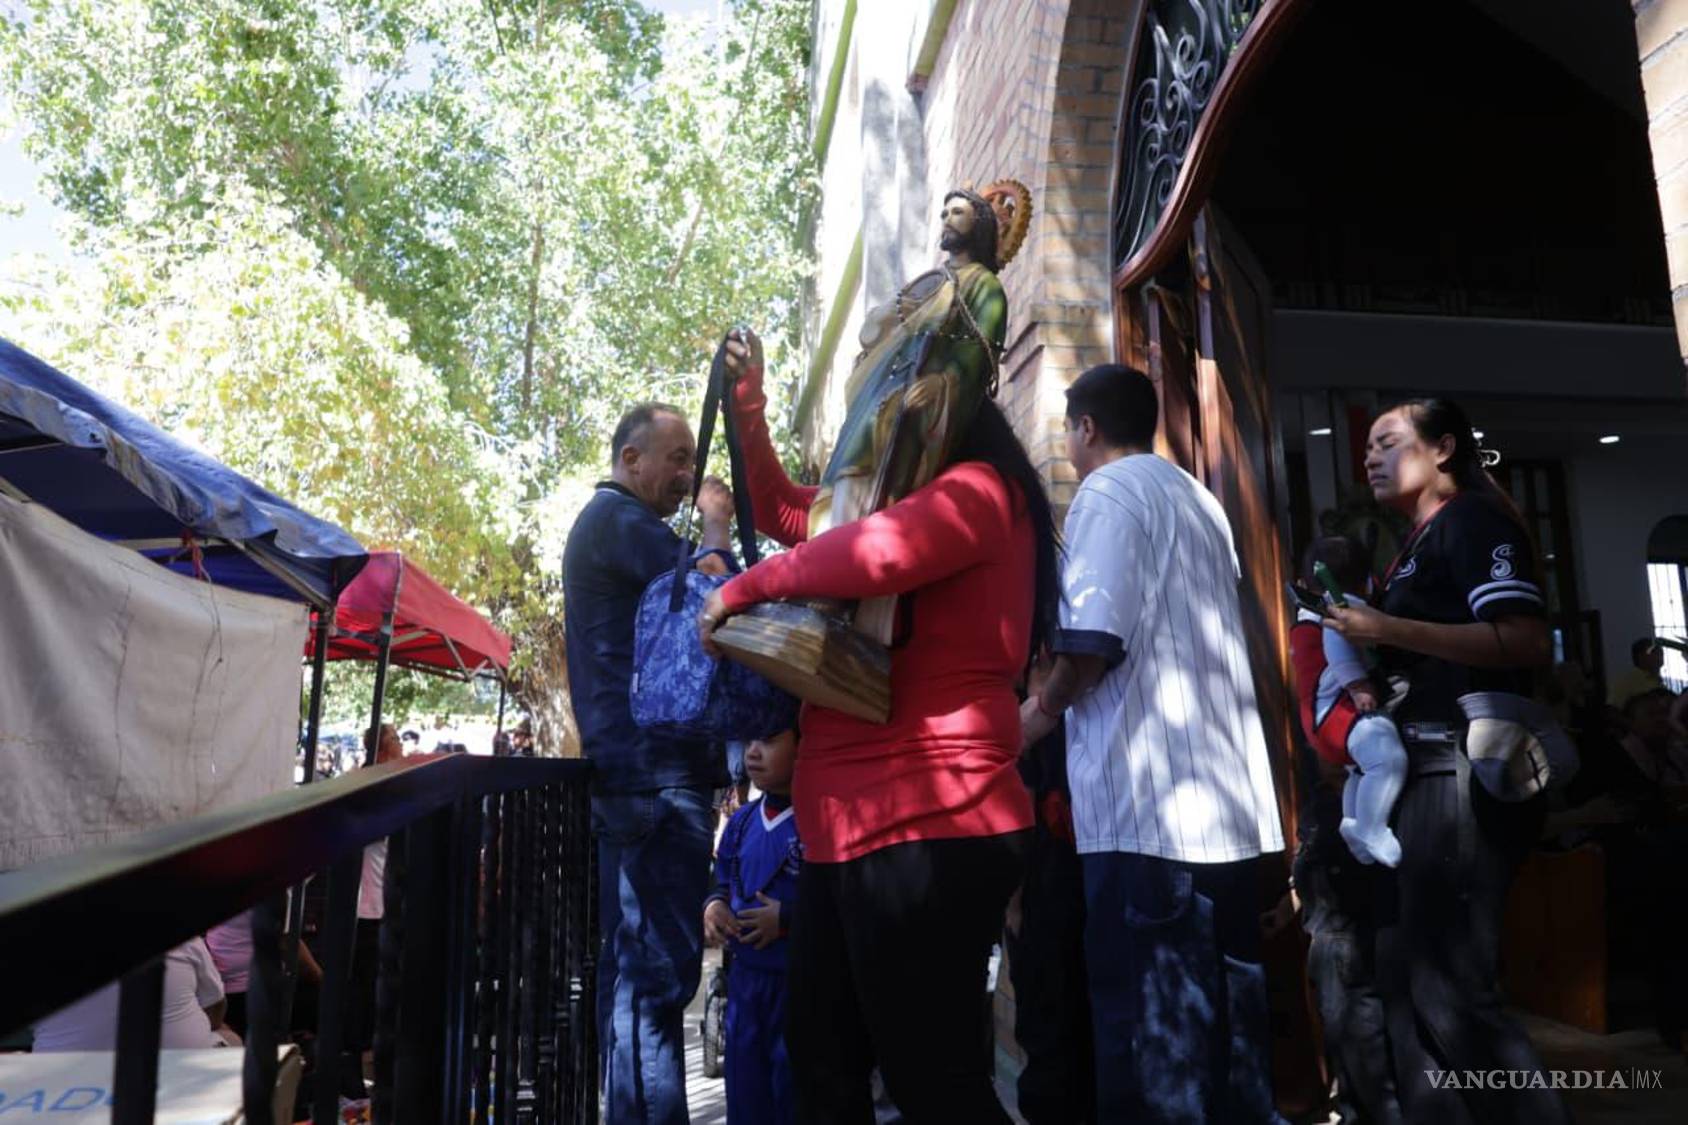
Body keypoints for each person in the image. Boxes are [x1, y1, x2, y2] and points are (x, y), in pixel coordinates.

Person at [703, 322, 1055, 1123]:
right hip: (849, 831)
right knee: (823, 1059)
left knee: (933, 1079)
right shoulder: (900, 498)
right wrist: (749, 406)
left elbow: (876, 552)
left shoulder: (979, 490)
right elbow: (795, 514)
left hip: (931, 825)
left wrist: (745, 587)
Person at [1019, 363, 1286, 1124]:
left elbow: (1091, 645)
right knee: (1229, 1042)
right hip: (1226, 819)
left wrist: (1030, 717)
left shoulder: (1108, 493)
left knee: (1152, 1048)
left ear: (1086, 428)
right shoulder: (1200, 499)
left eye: (1068, 433)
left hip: (1148, 816)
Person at [1324, 398, 1570, 1124]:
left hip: (1458, 774)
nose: (1369, 456)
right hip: (1419, 773)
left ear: (1443, 450)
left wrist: (1385, 626)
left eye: (1387, 442)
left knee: (1452, 989)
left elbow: (1523, 639)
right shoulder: (1416, 539)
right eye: (1365, 446)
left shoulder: (1471, 521)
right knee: (1404, 982)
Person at [562, 401, 734, 1124]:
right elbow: (718, 591)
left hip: (640, 781)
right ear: (630, 460)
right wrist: (719, 523)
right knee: (657, 982)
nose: (687, 474)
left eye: (692, 461)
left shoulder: (611, 527)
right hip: (653, 782)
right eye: (677, 457)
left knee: (635, 982)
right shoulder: (620, 524)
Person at [703, 728, 802, 1125]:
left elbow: (839, 897)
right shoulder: (742, 820)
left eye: (769, 741)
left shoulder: (820, 820)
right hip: (744, 985)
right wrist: (713, 904)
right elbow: (721, 878)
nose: (753, 753)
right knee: (745, 1092)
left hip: (797, 984)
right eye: (748, 742)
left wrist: (789, 918)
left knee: (792, 1095)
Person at [1295, 536, 1408, 867]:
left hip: (1322, 722)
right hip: (1341, 715)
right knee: (1387, 760)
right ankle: (1373, 827)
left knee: (1360, 770)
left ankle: (1355, 827)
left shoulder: (1307, 615)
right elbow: (1338, 644)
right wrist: (1359, 686)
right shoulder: (1343, 607)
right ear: (1369, 579)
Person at [33, 938, 231, 1050]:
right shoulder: (178, 928)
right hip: (181, 1071)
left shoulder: (29, 948)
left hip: (60, 1086)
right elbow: (215, 1010)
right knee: (227, 1034)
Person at [1611, 636, 1668, 709]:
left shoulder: (1658, 681)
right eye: (1653, 651)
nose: (1659, 652)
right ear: (1640, 656)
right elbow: (1613, 711)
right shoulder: (1626, 682)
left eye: (1660, 650)